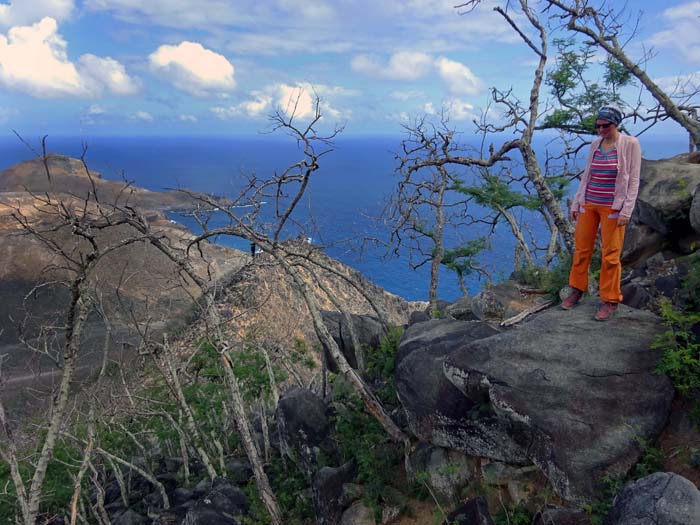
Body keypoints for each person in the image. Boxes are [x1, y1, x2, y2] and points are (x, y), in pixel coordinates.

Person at [561, 104, 642, 321]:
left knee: (611, 255)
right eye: (598, 125)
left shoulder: (630, 144)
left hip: (612, 207)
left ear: (616, 124)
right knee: (582, 249)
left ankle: (610, 300)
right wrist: (577, 202)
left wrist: (627, 209)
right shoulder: (595, 144)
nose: (601, 129)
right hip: (589, 203)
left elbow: (634, 179)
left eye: (606, 125)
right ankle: (577, 289)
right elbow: (588, 175)